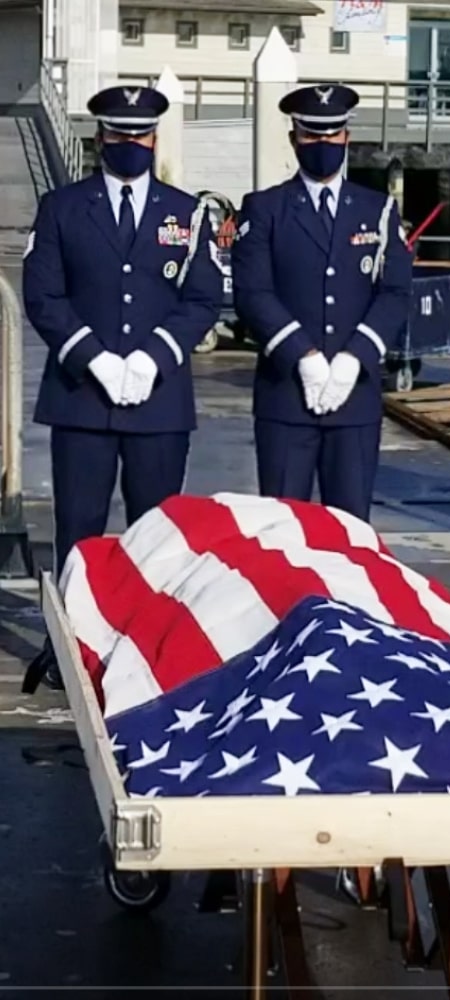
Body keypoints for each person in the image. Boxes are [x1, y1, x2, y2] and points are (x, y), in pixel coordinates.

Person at [22, 85, 224, 689]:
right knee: (78, 534)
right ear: (99, 138)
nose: (129, 144)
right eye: (118, 135)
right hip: (83, 397)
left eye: (139, 136)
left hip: (158, 402)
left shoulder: (186, 213)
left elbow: (203, 298)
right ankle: (69, 650)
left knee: (157, 536)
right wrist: (97, 359)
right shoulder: (61, 208)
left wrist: (153, 357)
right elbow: (43, 296)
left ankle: (146, 654)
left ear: (154, 139)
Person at [231, 83, 412, 522]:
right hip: (286, 397)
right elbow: (253, 293)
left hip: (356, 399)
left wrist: (356, 357)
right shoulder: (263, 208)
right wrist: (303, 355)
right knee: (281, 530)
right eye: (313, 135)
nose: (323, 145)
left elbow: (395, 291)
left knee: (350, 532)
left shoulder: (378, 210)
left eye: (332, 135)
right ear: (294, 138)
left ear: (347, 137)